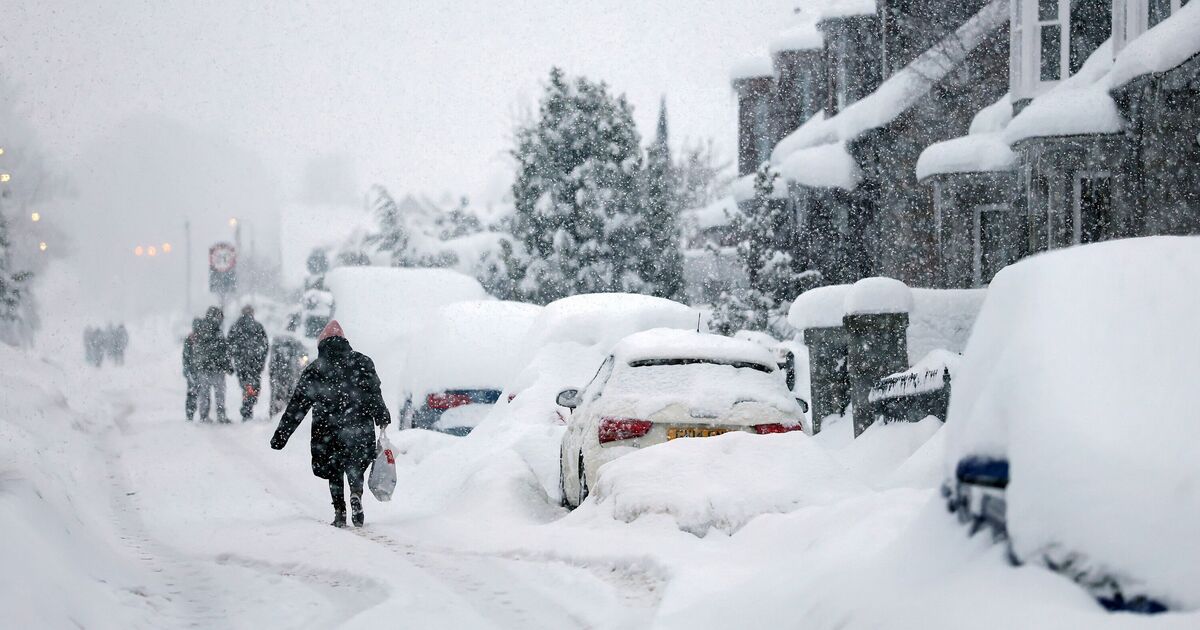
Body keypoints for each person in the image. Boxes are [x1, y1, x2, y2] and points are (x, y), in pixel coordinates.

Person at [271, 320, 390, 528]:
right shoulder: (362, 362)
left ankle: (339, 510)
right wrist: (382, 415)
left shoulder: (316, 369)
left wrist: (281, 435)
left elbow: (297, 406)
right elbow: (374, 394)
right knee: (355, 464)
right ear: (344, 341)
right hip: (358, 426)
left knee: (334, 469)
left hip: (328, 428)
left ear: (321, 345)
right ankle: (356, 494)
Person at [228, 305, 269, 422]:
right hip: (254, 363)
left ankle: (247, 407)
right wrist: (261, 360)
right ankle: (247, 408)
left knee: (247, 386)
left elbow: (229, 345)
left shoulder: (236, 326)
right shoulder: (257, 326)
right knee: (252, 387)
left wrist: (233, 359)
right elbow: (265, 345)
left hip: (242, 363)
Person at [193, 307, 233, 423]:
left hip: (204, 368)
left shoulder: (202, 329)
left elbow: (199, 350)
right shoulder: (215, 331)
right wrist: (227, 365)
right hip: (215, 368)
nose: (221, 320)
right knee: (219, 394)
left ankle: (204, 416)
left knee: (204, 394)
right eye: (220, 317)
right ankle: (220, 415)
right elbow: (223, 351)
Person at [268, 314, 306, 416]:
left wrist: (271, 370)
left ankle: (276, 413)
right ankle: (286, 413)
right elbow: (303, 356)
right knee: (289, 393)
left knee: (278, 393)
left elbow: (273, 357)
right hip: (290, 371)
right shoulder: (295, 340)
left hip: (280, 371)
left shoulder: (279, 339)